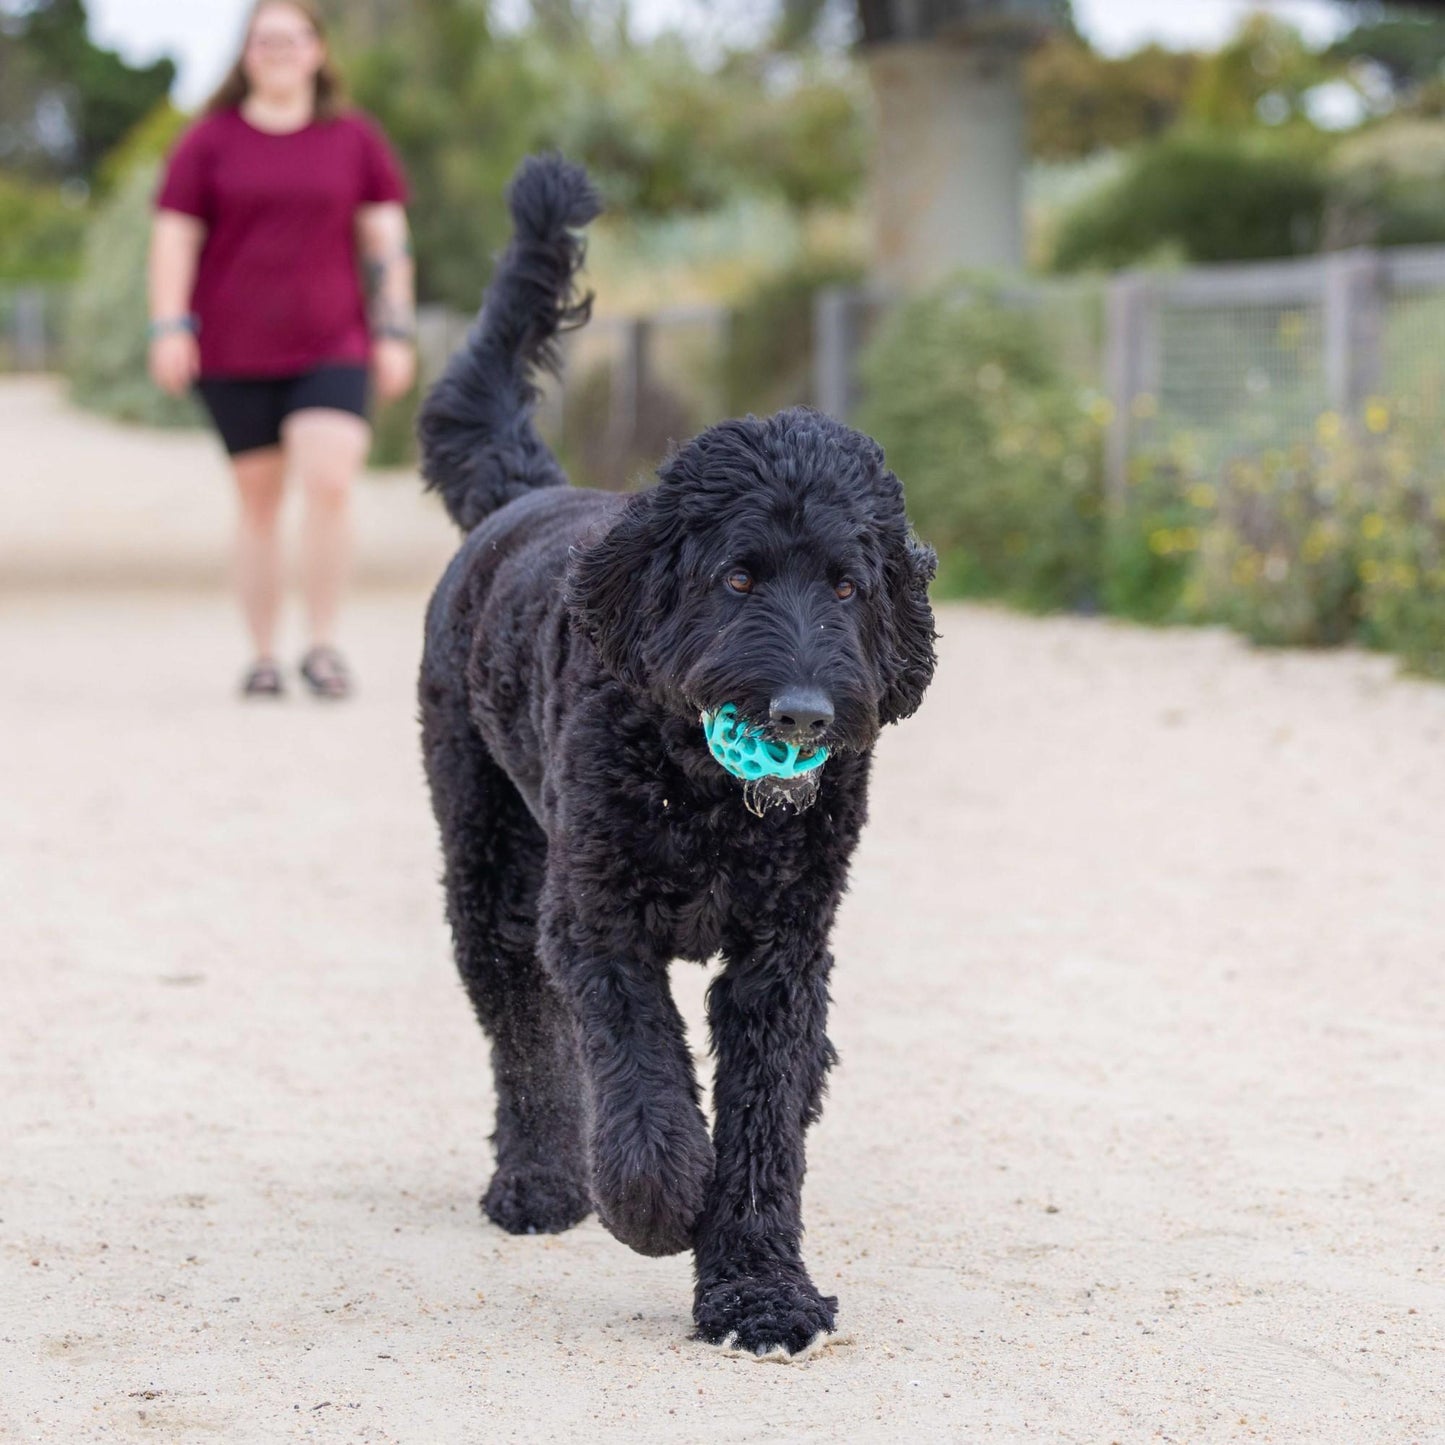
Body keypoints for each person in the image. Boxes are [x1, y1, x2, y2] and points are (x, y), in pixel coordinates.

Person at [148, 0, 416, 699]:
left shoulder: (353, 138)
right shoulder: (208, 141)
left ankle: (322, 646)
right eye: (264, 39)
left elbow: (386, 240)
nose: (278, 51)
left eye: (293, 38)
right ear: (245, 53)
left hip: (334, 341)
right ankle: (264, 656)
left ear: (318, 51)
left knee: (329, 482)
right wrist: (168, 325)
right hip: (233, 348)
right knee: (258, 502)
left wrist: (394, 330)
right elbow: (175, 238)